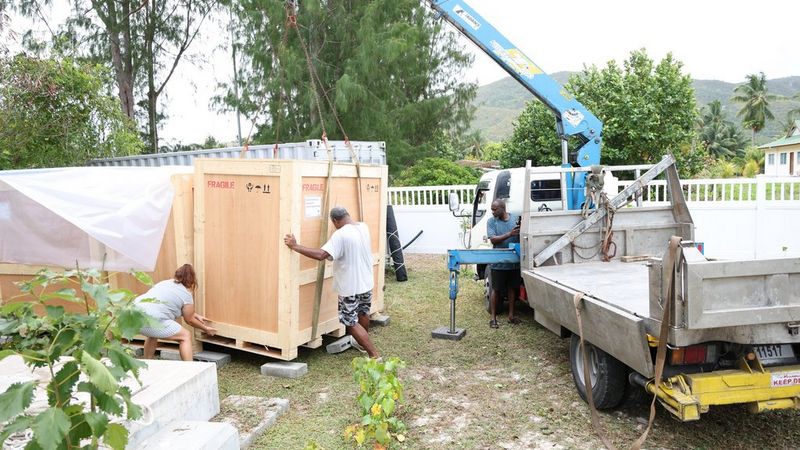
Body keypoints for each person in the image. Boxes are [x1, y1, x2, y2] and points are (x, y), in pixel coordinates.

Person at [283, 206, 380, 358]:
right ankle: (362, 342)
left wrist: (295, 246)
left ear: (335, 221)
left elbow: (321, 255)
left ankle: (373, 354)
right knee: (362, 313)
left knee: (349, 322)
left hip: (350, 285)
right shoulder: (363, 227)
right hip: (366, 282)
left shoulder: (340, 235)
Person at [135, 264, 216, 361]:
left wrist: (195, 315)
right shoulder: (186, 294)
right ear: (191, 280)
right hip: (153, 318)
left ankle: (148, 361)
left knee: (153, 333)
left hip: (133, 314)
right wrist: (205, 329)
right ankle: (190, 369)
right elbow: (189, 320)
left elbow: (169, 304)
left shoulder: (164, 283)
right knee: (185, 336)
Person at [486, 199, 521, 329]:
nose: (492, 211)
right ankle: (493, 318)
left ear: (502, 208)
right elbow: (493, 240)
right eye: (492, 209)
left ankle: (511, 316)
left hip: (513, 261)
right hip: (498, 262)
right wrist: (509, 234)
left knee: (512, 288)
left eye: (495, 209)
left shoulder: (515, 219)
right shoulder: (491, 221)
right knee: (496, 289)